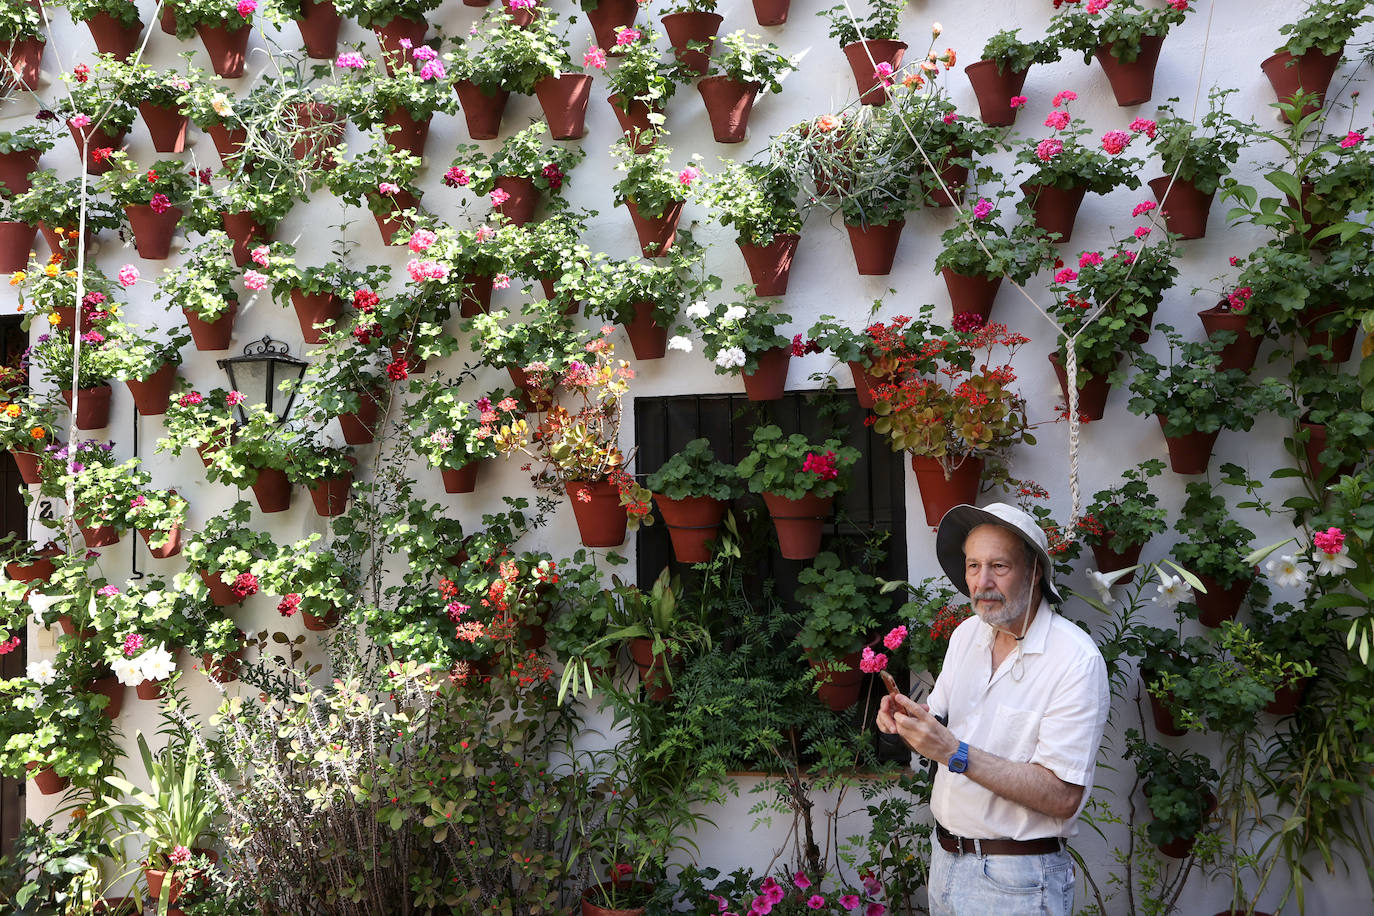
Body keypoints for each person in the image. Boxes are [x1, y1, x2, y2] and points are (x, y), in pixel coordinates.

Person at [876, 502, 1110, 915]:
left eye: (999, 566)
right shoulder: (967, 634)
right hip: (945, 860)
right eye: (972, 566)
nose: (982, 582)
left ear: (1034, 571)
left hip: (1018, 881)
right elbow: (940, 715)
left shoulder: (1075, 660)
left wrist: (953, 753)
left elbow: (1061, 796)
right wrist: (906, 716)